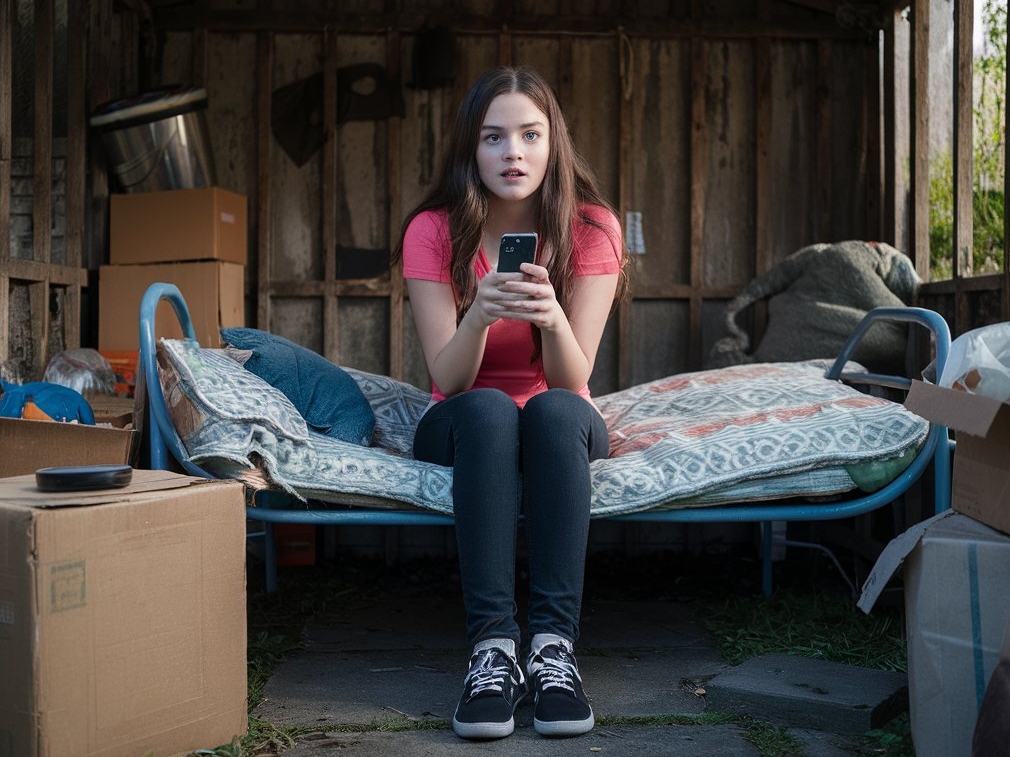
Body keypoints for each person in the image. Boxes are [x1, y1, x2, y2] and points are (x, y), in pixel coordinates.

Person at [393, 65, 628, 740]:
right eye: (493, 138)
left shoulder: (593, 230)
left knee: (552, 411)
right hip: (464, 415)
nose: (513, 153)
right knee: (494, 410)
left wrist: (551, 318)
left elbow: (571, 378)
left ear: (554, 145)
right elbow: (450, 378)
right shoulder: (433, 231)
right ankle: (492, 649)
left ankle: (553, 649)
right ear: (471, 149)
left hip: (560, 411)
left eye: (530, 135)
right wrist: (479, 318)